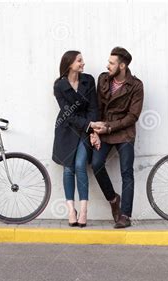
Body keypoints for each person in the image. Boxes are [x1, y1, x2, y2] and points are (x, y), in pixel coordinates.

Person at [90, 47, 144, 228]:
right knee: (96, 165)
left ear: (122, 65)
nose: (108, 65)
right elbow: (97, 107)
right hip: (103, 130)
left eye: (111, 63)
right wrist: (95, 131)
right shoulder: (103, 79)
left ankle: (125, 215)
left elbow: (133, 116)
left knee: (126, 172)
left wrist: (109, 127)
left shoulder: (136, 85)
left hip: (124, 133)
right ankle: (113, 199)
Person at [52, 50, 101, 227]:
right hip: (67, 129)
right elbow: (68, 114)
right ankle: (71, 210)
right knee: (68, 169)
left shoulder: (88, 80)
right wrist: (90, 126)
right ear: (69, 63)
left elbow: (94, 107)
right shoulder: (59, 85)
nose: (83, 63)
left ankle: (84, 210)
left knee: (80, 165)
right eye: (79, 60)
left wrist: (93, 130)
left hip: (86, 129)